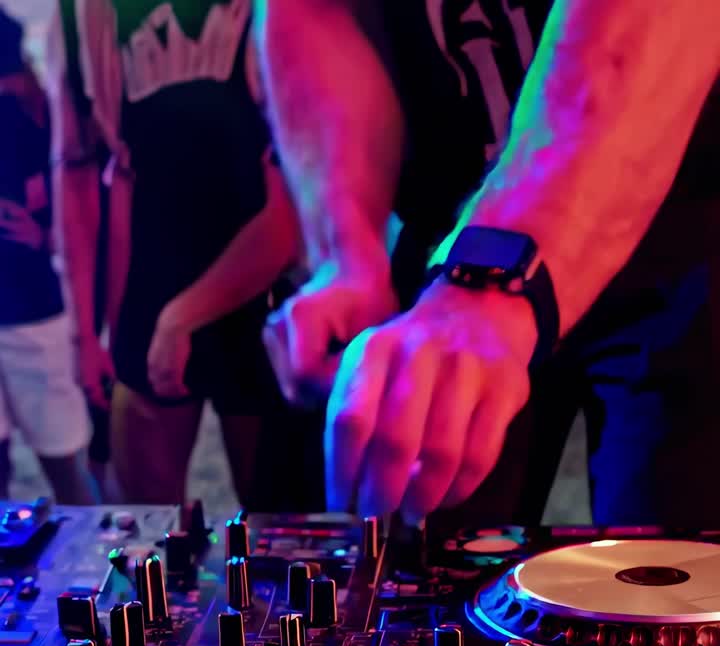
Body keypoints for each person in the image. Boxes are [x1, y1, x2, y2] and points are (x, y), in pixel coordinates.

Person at [257, 1, 720, 527]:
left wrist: (494, 272)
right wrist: (350, 254)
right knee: (423, 567)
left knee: (678, 577)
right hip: (448, 249)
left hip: (686, 233)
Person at [47, 0, 311, 508]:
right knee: (145, 532)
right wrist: (86, 334)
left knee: (281, 537)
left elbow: (293, 213)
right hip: (148, 282)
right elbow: (75, 168)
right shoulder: (83, 15)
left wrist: (181, 318)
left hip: (264, 291)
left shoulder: (279, 13)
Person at [0, 6, 97, 504]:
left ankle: (101, 566)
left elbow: (75, 199)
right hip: (29, 301)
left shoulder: (26, 115)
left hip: (31, 307)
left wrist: (44, 237)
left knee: (65, 463)